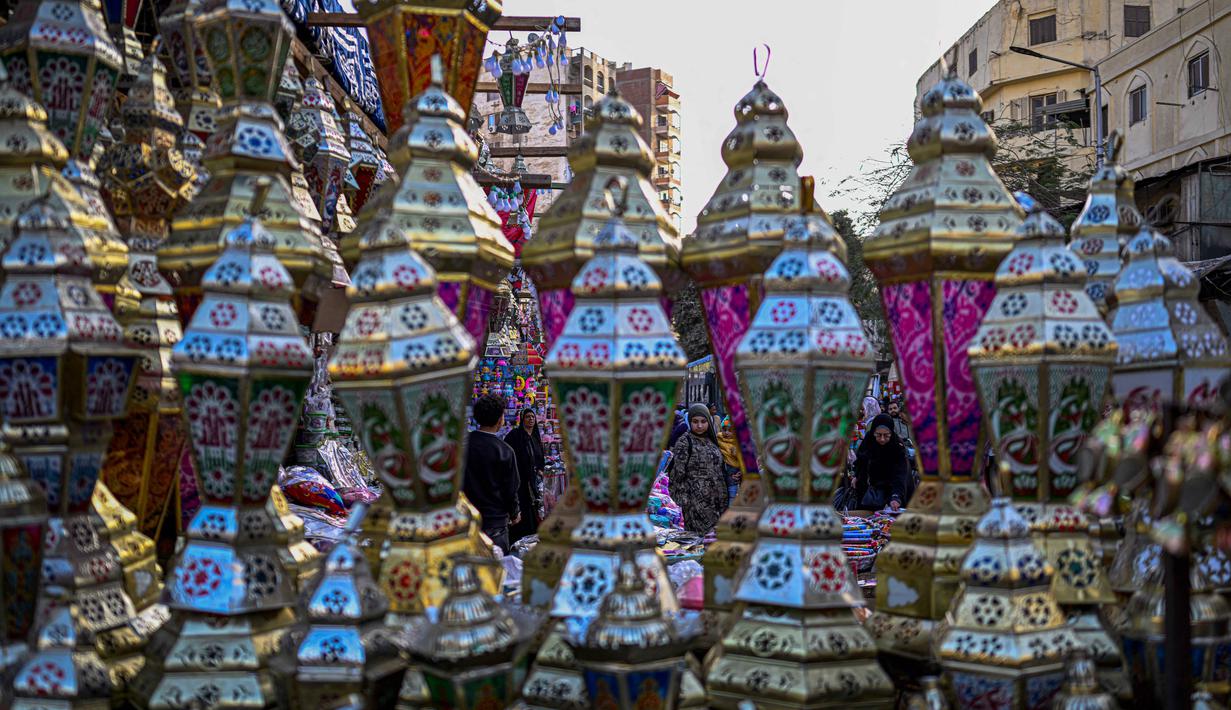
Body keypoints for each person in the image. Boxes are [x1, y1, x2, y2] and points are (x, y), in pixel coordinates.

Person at [463, 393, 520, 554]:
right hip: (495, 524)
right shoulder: (504, 451)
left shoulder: (462, 446)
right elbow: (511, 488)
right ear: (499, 419)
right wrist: (515, 513)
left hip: (465, 520)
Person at [669, 403, 729, 534]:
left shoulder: (712, 441)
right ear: (689, 422)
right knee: (700, 542)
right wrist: (686, 502)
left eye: (703, 421)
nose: (700, 425)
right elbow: (677, 475)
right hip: (696, 505)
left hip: (718, 501)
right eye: (695, 422)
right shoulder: (685, 442)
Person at [852, 413, 910, 512]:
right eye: (878, 435)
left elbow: (900, 475)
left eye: (886, 435)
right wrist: (856, 476)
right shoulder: (869, 440)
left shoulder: (897, 446)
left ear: (891, 433)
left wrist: (896, 496)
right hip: (869, 492)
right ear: (873, 432)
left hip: (891, 489)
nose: (882, 439)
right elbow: (861, 461)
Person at [504, 408, 545, 545]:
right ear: (522, 419)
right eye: (527, 417)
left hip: (532, 482)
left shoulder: (535, 438)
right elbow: (507, 453)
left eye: (532, 417)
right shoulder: (515, 436)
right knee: (521, 509)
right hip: (519, 481)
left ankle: (529, 541)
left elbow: (540, 458)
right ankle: (516, 541)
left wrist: (540, 469)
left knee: (532, 510)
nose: (531, 419)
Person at [715, 415, 743, 502]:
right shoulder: (718, 439)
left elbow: (745, 461)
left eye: (730, 430)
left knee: (732, 497)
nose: (726, 433)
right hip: (720, 475)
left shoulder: (739, 442)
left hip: (733, 474)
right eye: (724, 429)